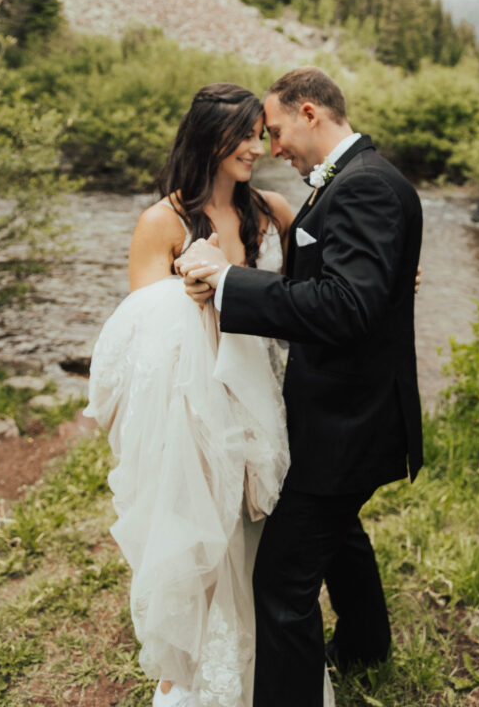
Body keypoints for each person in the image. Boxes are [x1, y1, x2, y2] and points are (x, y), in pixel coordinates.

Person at [178, 66, 424, 707]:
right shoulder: (355, 181)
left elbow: (347, 304)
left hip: (347, 419)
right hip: (348, 411)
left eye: (279, 130)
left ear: (311, 112)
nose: (273, 147)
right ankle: (366, 647)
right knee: (340, 532)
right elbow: (358, 283)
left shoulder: (364, 186)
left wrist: (229, 283)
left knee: (282, 580)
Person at [85, 83, 336, 707]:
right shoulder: (159, 222)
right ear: (210, 136)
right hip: (195, 409)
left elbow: (328, 284)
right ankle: (191, 672)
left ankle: (266, 674)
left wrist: (395, 269)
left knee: (263, 537)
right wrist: (189, 293)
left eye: (262, 134)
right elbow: (142, 336)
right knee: (201, 533)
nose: (258, 147)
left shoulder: (273, 209)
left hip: (269, 400)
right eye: (247, 135)